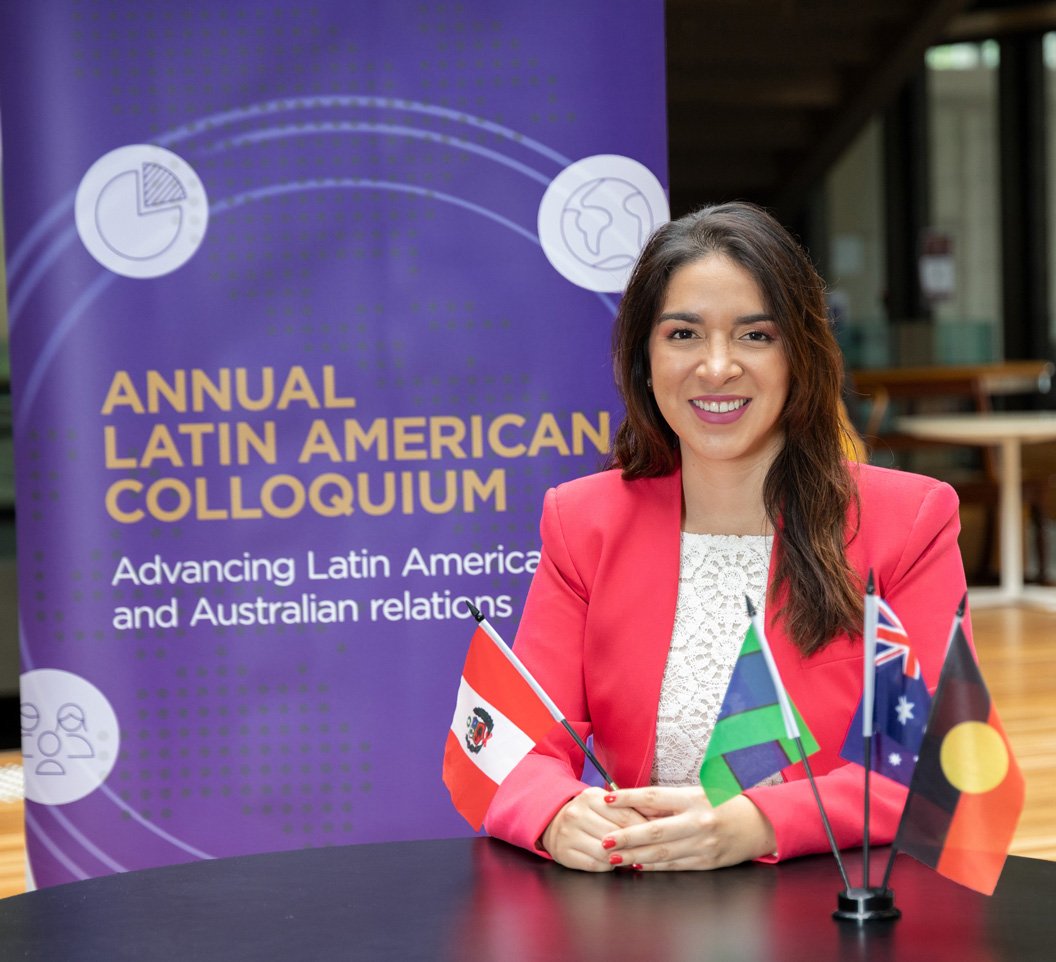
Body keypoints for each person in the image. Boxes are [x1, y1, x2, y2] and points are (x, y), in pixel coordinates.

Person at [483, 201, 970, 872]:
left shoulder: (907, 520)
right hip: (642, 907)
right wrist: (557, 813)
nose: (716, 367)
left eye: (755, 335)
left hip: (830, 902)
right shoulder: (583, 521)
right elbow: (519, 744)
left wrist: (754, 825)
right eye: (683, 335)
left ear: (800, 352)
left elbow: (939, 758)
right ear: (644, 358)